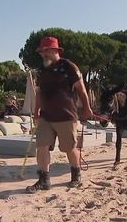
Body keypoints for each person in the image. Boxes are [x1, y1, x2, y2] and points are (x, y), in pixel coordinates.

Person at [26, 36, 93, 193]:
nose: (43, 54)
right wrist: (36, 112)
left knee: (69, 148)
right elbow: (39, 93)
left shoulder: (69, 67)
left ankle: (76, 175)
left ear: (55, 50)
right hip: (46, 116)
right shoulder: (42, 70)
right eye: (41, 52)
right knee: (41, 146)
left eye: (46, 51)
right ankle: (44, 180)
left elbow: (81, 90)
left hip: (66, 116)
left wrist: (87, 108)